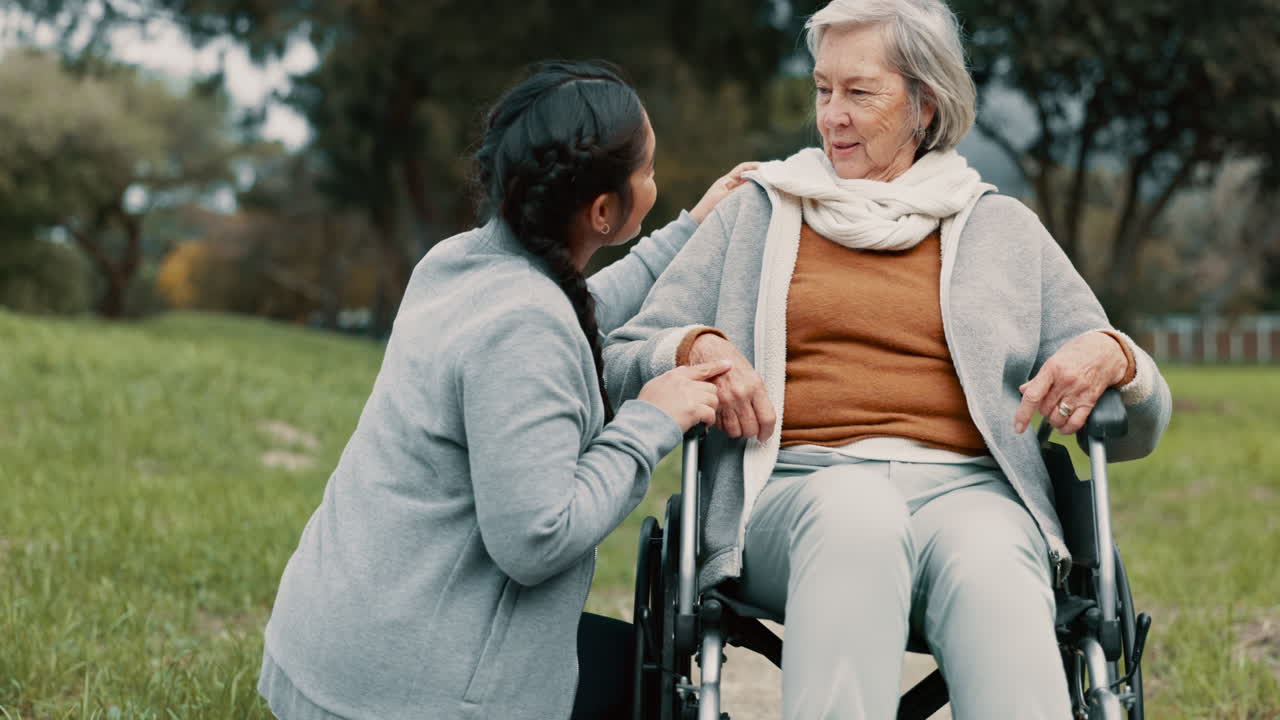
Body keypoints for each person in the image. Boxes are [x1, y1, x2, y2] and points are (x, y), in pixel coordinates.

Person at [604, 2, 1173, 717]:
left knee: (993, 556)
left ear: (924, 103)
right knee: (858, 513)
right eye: (822, 89)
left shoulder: (1003, 228)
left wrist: (1116, 356)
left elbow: (1141, 422)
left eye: (859, 92)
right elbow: (624, 355)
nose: (831, 116)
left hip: (971, 494)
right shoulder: (758, 211)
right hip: (794, 490)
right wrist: (694, 346)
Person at [258, 60, 758, 720]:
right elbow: (537, 539)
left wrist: (692, 228)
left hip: (336, 652)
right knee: (648, 695)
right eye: (649, 172)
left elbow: (577, 315)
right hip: (397, 699)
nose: (656, 183)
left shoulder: (463, 263)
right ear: (604, 210)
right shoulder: (526, 327)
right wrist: (649, 421)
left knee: (628, 662)